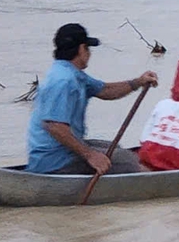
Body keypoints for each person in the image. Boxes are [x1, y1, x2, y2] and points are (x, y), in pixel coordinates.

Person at [25, 23, 159, 176]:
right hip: (55, 161)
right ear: (82, 49)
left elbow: (105, 90)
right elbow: (54, 126)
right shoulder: (63, 81)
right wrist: (90, 155)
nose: (89, 54)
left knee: (115, 149)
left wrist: (138, 82)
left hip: (61, 151)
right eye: (88, 49)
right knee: (127, 159)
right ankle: (153, 178)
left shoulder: (71, 73)